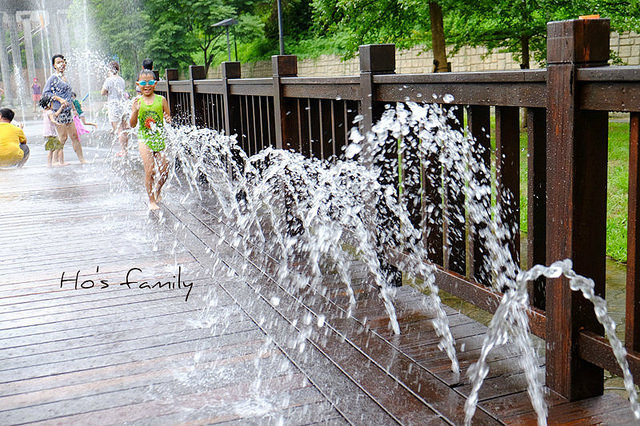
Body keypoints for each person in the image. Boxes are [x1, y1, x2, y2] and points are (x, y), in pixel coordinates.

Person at [130, 69, 171, 210]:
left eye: (150, 82)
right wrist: (135, 111)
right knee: (150, 169)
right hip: (144, 138)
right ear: (138, 84)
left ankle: (157, 189)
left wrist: (168, 118)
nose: (146, 85)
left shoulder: (161, 100)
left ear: (155, 84)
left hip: (159, 137)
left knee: (165, 169)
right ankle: (151, 200)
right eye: (143, 82)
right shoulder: (137, 101)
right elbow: (132, 124)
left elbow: (168, 117)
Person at [42, 54, 86, 164]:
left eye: (62, 61)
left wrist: (74, 107)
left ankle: (82, 160)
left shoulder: (65, 77)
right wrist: (59, 99)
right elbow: (45, 93)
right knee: (63, 137)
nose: (61, 64)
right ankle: (55, 161)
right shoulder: (53, 78)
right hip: (59, 111)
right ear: (54, 65)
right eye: (58, 62)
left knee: (74, 136)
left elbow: (69, 94)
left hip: (68, 111)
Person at [101, 61, 129, 157]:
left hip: (113, 106)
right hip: (122, 105)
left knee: (119, 129)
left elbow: (103, 92)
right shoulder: (121, 80)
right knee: (123, 128)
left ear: (109, 69)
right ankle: (126, 149)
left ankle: (123, 150)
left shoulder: (109, 80)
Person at [39, 95, 65, 167]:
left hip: (47, 134)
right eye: (52, 103)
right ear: (49, 104)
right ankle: (60, 163)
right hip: (51, 134)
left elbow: (55, 114)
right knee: (58, 148)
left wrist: (61, 107)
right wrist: (56, 123)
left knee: (52, 150)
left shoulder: (45, 112)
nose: (53, 104)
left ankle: (50, 164)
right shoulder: (50, 112)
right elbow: (52, 119)